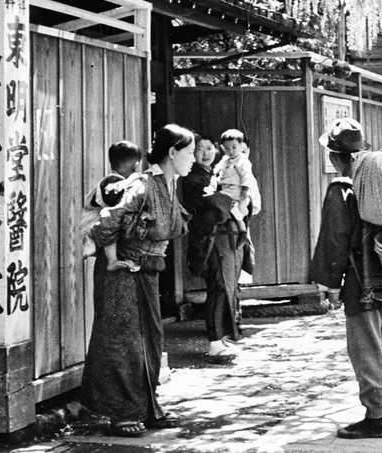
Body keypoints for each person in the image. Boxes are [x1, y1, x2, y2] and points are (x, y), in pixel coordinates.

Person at [80, 125, 195, 437]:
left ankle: (146, 407)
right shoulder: (142, 186)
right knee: (122, 341)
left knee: (151, 340)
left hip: (147, 272)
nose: (194, 159)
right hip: (121, 273)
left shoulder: (168, 186)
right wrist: (114, 260)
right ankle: (120, 414)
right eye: (190, 152)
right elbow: (106, 223)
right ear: (173, 153)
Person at [309, 118, 382, 440]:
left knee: (367, 350)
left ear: (335, 156)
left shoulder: (343, 190)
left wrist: (329, 284)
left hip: (362, 282)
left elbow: (334, 239)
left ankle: (374, 418)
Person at [180, 132, 244, 360]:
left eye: (209, 148)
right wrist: (231, 202)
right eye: (199, 149)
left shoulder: (218, 172)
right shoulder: (191, 178)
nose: (205, 153)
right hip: (210, 238)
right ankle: (214, 342)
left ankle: (223, 337)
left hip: (224, 238)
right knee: (217, 286)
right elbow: (212, 207)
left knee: (226, 285)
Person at [83, 141, 144, 272]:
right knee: (111, 219)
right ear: (136, 165)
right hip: (89, 232)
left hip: (92, 230)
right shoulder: (112, 182)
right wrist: (135, 178)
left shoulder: (114, 181)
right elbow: (112, 212)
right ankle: (112, 261)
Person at [208, 128, 258, 235]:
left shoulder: (242, 160)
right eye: (226, 148)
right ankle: (242, 230)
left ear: (241, 146)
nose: (230, 151)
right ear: (222, 148)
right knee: (227, 205)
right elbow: (217, 168)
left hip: (236, 189)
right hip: (227, 188)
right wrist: (214, 171)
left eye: (234, 147)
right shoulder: (225, 159)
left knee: (231, 206)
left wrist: (244, 189)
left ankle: (243, 229)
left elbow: (246, 175)